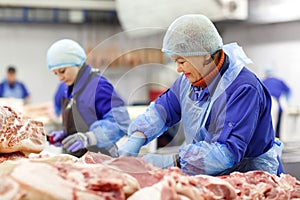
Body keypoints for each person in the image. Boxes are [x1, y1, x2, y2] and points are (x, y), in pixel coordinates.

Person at [119, 14, 284, 176]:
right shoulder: (188, 81)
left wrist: (173, 162)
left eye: (182, 62)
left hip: (252, 180)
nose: (178, 69)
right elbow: (163, 110)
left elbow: (226, 153)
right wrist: (137, 136)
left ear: (206, 55)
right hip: (214, 179)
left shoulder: (243, 88)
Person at [46, 39, 131, 158]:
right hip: (74, 159)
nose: (60, 78)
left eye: (62, 71)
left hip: (100, 159)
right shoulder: (68, 88)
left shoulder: (99, 86)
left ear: (77, 64)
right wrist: (66, 135)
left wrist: (90, 138)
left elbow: (121, 123)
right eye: (56, 73)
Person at [262, 67, 291, 138]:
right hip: (281, 103)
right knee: (281, 123)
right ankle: (280, 138)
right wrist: (287, 100)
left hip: (272, 103)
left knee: (272, 122)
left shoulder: (264, 81)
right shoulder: (279, 81)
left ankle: (273, 138)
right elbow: (289, 91)